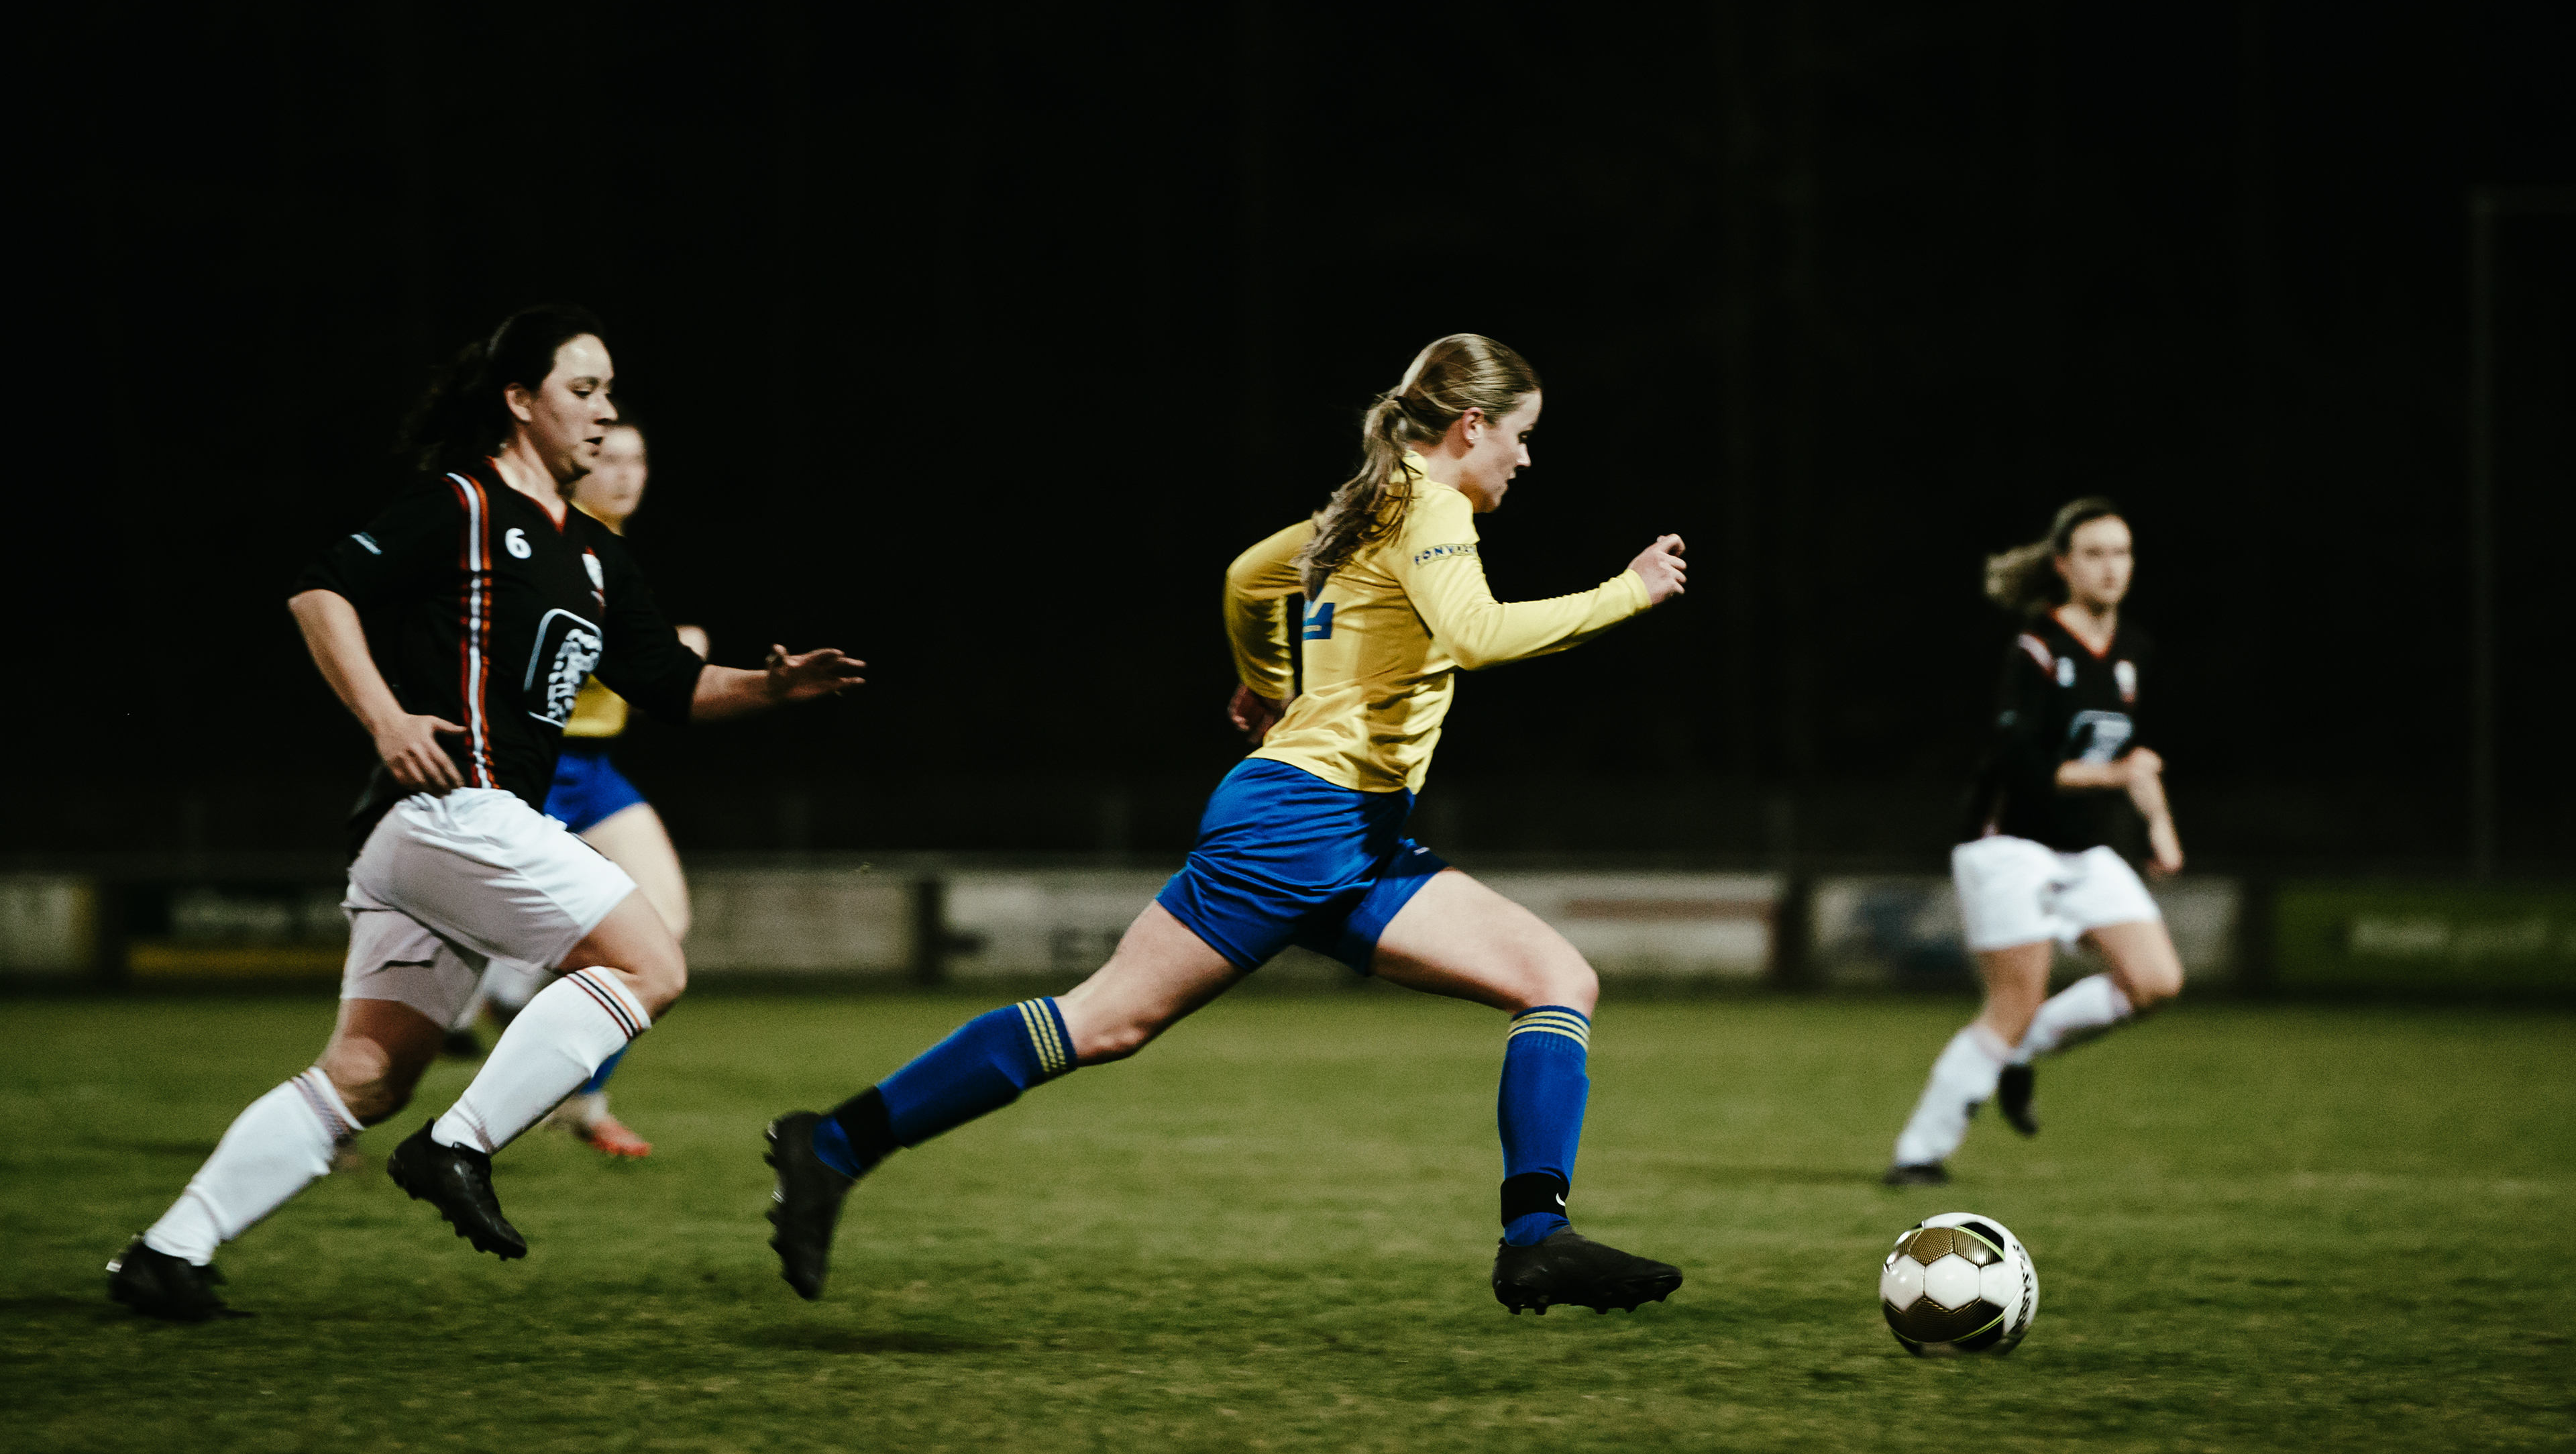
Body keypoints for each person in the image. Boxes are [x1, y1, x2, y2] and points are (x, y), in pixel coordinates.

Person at [762, 333, 1691, 1316]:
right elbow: (1475, 634)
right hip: (1299, 825)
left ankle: (1537, 1236)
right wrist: (1627, 592)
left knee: (1554, 978)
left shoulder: (1370, 501)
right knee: (1104, 1018)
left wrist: (1269, 683)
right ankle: (834, 1143)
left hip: (1353, 829)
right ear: (1471, 426)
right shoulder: (1431, 505)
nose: (1526, 456)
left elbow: (1250, 577)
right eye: (1521, 434)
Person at [107, 306, 866, 1320]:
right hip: (449, 807)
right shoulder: (460, 505)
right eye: (582, 390)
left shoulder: (594, 557)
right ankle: (457, 1146)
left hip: (430, 841)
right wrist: (385, 718)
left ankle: (168, 1251)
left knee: (368, 1076)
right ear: (518, 400)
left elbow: (677, 685)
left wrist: (771, 686)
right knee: (651, 962)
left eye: (610, 393)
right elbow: (321, 593)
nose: (603, 412)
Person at [1882, 498, 2186, 1187]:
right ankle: (1919, 1152)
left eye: (2122, 552)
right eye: (2095, 553)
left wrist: (2160, 827)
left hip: (2079, 845)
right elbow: (2022, 762)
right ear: (2063, 565)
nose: (2111, 567)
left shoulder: (2134, 650)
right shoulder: (2038, 648)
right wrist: (2115, 776)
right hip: (2006, 842)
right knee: (2013, 1002)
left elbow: (2134, 757)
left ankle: (2017, 1054)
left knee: (2155, 980)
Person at [532, 420, 706, 1157]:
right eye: (610, 457)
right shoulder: (552, 537)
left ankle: (582, 1099)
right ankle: (338, 1111)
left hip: (594, 768)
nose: (627, 472)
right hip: (532, 763)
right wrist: (665, 652)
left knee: (663, 923)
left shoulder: (614, 550)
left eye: (639, 458)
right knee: (444, 956)